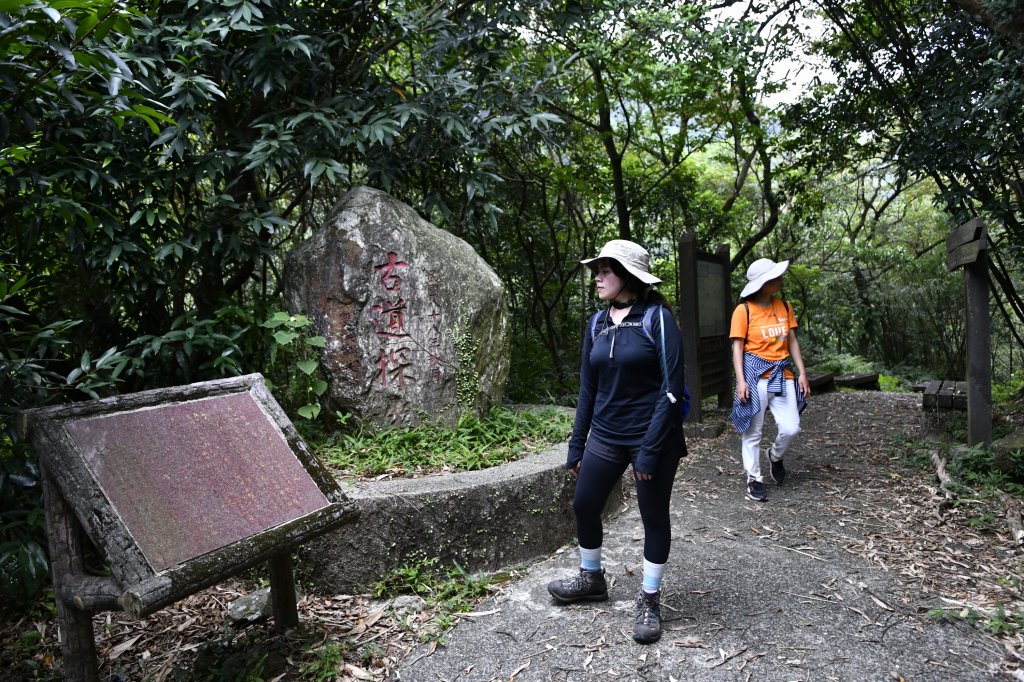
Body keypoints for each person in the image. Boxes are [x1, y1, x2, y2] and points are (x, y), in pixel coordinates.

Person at [547, 239, 687, 644]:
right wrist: (577, 443)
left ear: (628, 276)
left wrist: (650, 448)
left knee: (653, 516)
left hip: (652, 436)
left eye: (606, 270)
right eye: (598, 269)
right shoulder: (597, 323)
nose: (598, 276)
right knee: (585, 504)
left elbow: (672, 389)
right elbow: (588, 389)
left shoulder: (657, 319)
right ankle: (592, 579)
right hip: (606, 435)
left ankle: (649, 600)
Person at [729, 257, 810, 503]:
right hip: (755, 376)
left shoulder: (784, 307)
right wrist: (741, 381)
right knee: (753, 432)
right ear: (764, 283)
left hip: (782, 374)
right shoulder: (743, 311)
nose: (781, 279)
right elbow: (737, 349)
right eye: (776, 276)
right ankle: (753, 479)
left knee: (791, 427)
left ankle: (774, 456)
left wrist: (802, 373)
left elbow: (792, 341)